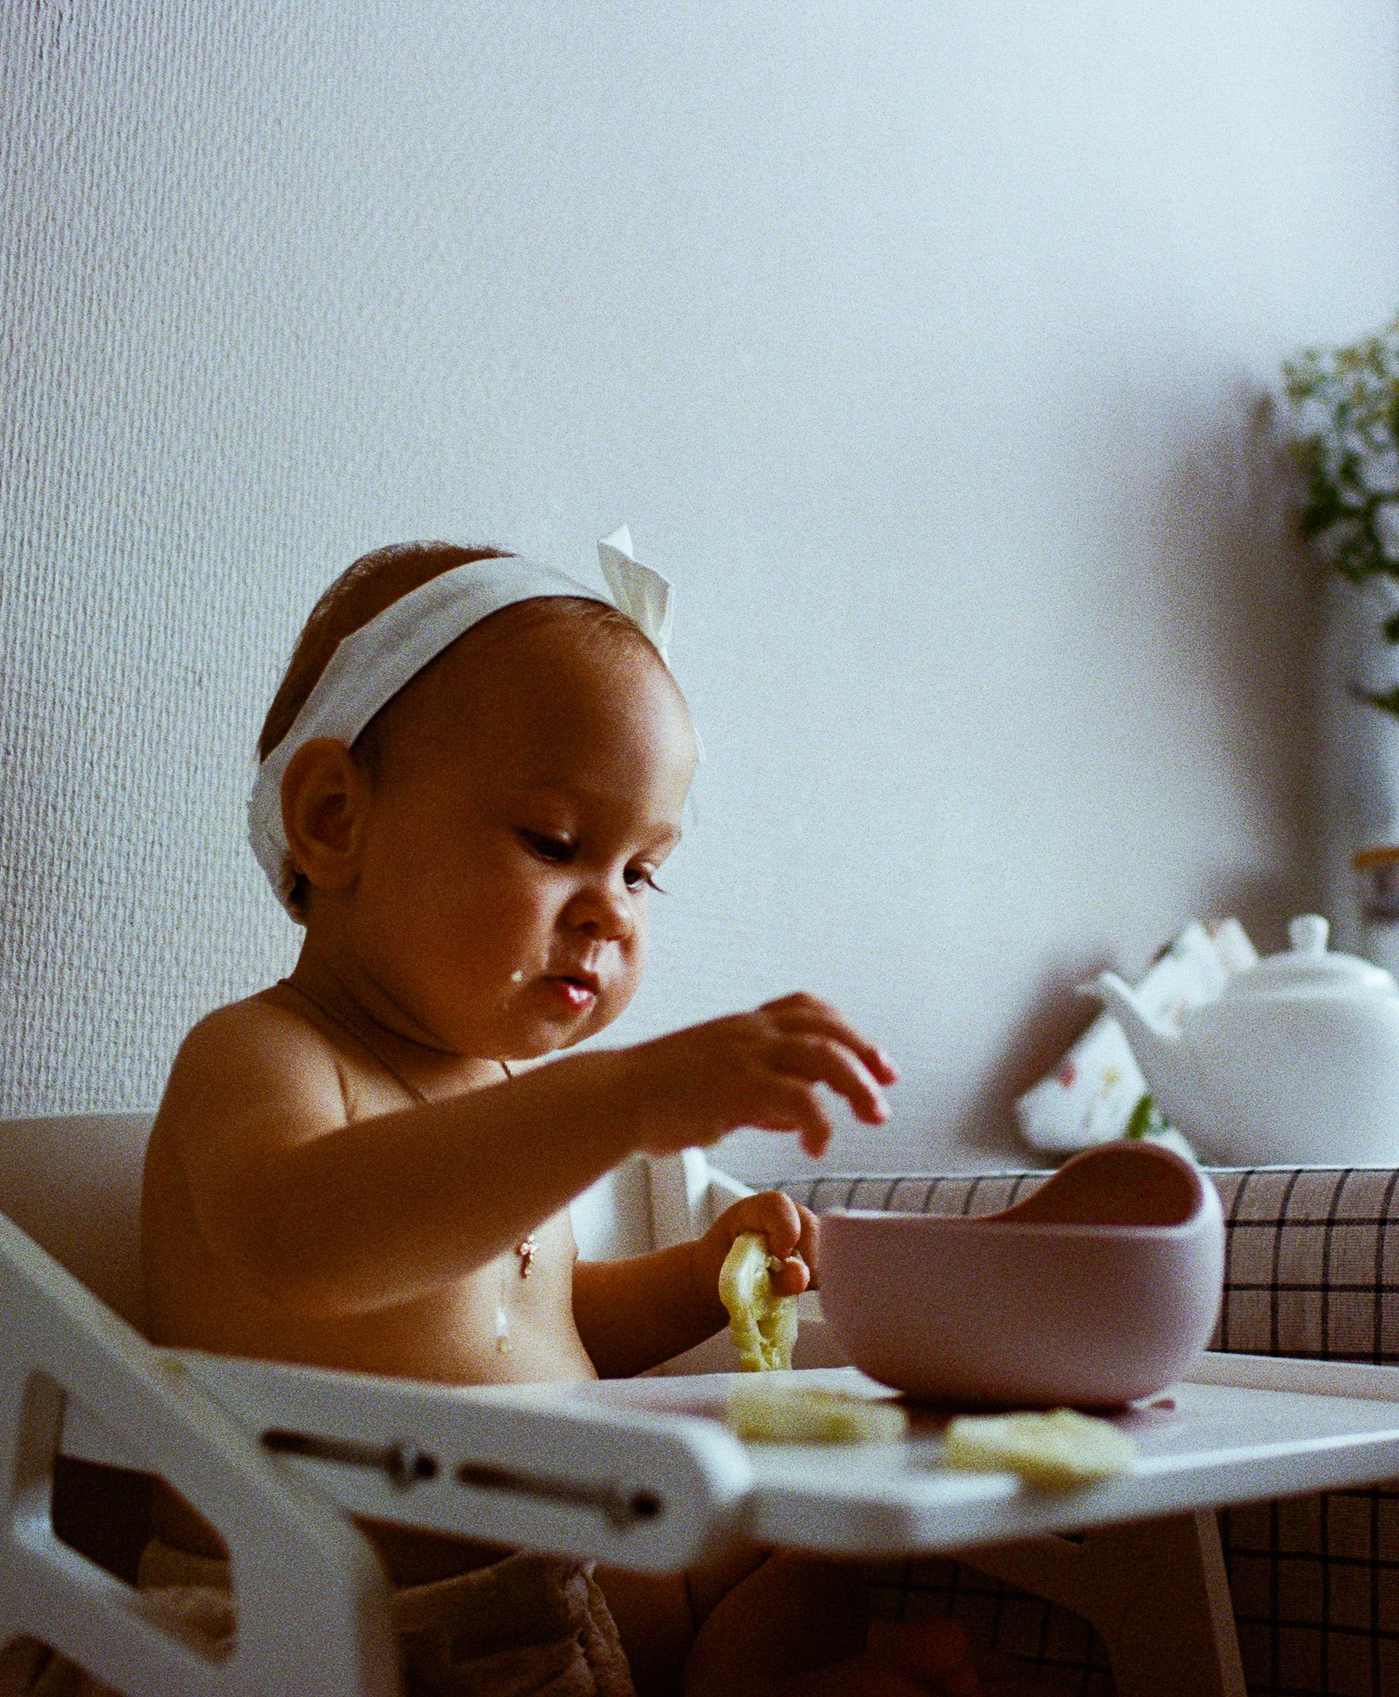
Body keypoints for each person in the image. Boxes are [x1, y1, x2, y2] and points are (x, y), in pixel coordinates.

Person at [122, 538, 987, 1697]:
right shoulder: (262, 1053)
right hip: (335, 1628)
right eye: (554, 843)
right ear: (334, 817)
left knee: (805, 1562)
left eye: (643, 873)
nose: (610, 914)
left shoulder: (494, 1101)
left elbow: (534, 1321)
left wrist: (691, 1276)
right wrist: (621, 1093)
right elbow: (299, 1242)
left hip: (546, 1601)